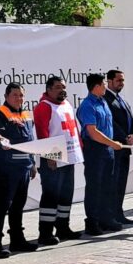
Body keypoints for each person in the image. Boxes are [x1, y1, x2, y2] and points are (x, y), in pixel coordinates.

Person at [0, 83, 38, 259]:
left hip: (23, 168)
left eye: (21, 95)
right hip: (5, 169)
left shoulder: (25, 115)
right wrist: (1, 140)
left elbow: (30, 141)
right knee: (1, 206)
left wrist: (32, 163)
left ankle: (17, 240)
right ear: (6, 96)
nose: (19, 98)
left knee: (18, 206)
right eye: (15, 95)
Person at [76, 73, 132, 236]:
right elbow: (92, 132)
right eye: (103, 84)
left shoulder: (103, 103)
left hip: (108, 150)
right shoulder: (87, 105)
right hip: (95, 150)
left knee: (108, 185)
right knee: (95, 186)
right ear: (96, 86)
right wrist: (112, 143)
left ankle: (106, 218)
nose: (106, 87)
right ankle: (92, 222)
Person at [32, 76, 83, 246]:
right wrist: (49, 156)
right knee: (51, 195)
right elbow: (42, 132)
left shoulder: (67, 104)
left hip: (69, 157)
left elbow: (74, 128)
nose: (62, 90)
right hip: (53, 160)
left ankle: (63, 228)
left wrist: (80, 150)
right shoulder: (43, 107)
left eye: (64, 86)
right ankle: (45, 233)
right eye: (58, 87)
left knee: (66, 194)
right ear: (48, 89)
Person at [104, 69, 133, 226]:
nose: (121, 84)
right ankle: (111, 215)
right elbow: (111, 123)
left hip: (125, 148)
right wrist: (124, 136)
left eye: (123, 80)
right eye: (118, 81)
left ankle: (119, 212)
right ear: (109, 81)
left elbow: (132, 119)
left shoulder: (122, 99)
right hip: (116, 146)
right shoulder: (106, 99)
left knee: (121, 182)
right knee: (113, 183)